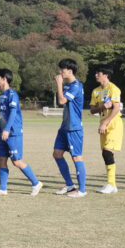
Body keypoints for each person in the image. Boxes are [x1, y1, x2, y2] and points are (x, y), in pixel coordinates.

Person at [0, 69, 42, 196]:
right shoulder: (1, 96)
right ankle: (3, 188)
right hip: (3, 133)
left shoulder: (12, 94)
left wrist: (7, 129)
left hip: (13, 133)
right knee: (1, 159)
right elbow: (3, 115)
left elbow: (13, 113)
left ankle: (36, 183)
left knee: (16, 161)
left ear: (4, 79)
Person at [52, 58, 87, 198]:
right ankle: (70, 185)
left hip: (74, 128)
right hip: (65, 126)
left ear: (70, 71)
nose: (60, 72)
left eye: (62, 69)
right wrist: (62, 85)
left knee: (76, 157)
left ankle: (82, 190)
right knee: (57, 153)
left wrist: (59, 84)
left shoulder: (76, 86)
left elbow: (61, 101)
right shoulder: (67, 85)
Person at [90, 66, 123, 194]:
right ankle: (112, 185)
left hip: (114, 124)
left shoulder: (113, 89)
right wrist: (102, 107)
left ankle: (111, 184)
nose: (96, 75)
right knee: (105, 154)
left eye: (98, 73)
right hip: (103, 125)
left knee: (107, 153)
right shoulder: (95, 91)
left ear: (106, 75)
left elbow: (116, 108)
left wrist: (105, 122)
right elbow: (92, 110)